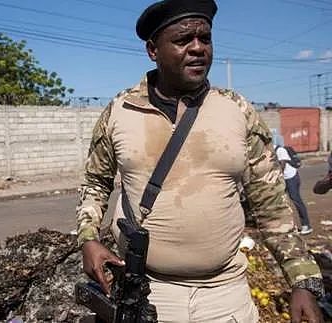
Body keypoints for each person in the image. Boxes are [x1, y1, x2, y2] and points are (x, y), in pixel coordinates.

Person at [76, 0, 324, 322]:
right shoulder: (120, 111)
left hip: (226, 295)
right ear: (153, 50)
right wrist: (89, 238)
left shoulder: (237, 110)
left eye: (204, 39)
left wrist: (301, 279)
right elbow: (95, 183)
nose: (198, 49)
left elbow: (272, 203)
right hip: (148, 294)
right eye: (183, 40)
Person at [275, 145, 313, 234]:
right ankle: (284, 225)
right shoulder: (269, 152)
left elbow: (282, 165)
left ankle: (306, 225)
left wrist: (277, 177)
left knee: (296, 200)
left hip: (291, 178)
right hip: (283, 179)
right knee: (279, 201)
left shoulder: (279, 150)